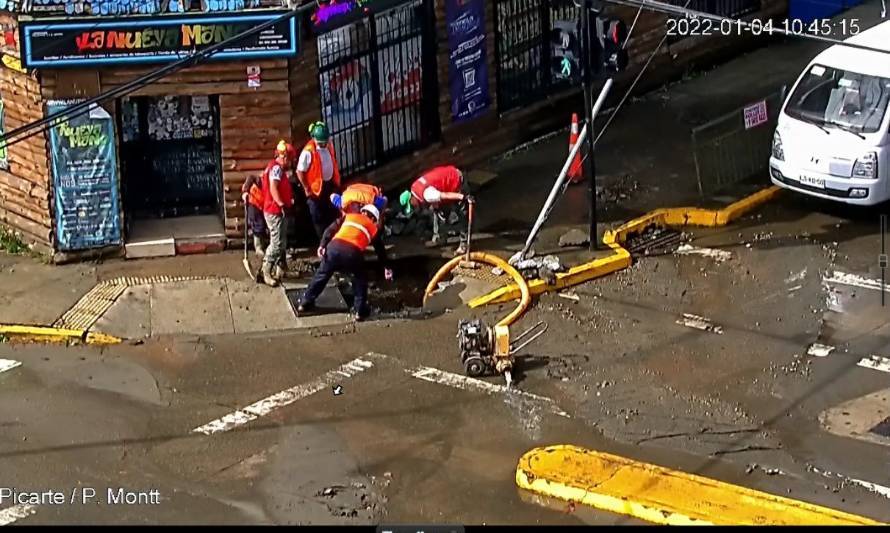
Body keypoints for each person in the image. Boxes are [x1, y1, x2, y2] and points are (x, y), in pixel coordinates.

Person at [297, 204, 386, 322]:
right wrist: (386, 267)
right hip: (352, 253)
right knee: (360, 280)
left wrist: (322, 245)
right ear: (374, 219)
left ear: (363, 212)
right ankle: (360, 311)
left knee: (322, 275)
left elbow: (329, 230)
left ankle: (305, 303)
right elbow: (380, 249)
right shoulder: (373, 228)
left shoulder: (348, 217)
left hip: (333, 248)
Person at [398, 165, 473, 252]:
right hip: (443, 183)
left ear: (411, 198)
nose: (414, 207)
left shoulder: (427, 195)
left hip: (456, 180)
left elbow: (445, 195)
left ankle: (464, 244)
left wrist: (463, 197)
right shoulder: (414, 187)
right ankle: (439, 238)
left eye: (411, 205)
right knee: (438, 212)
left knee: (462, 214)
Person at [330, 182, 393, 281]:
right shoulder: (343, 203)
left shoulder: (374, 201)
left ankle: (385, 266)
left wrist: (380, 219)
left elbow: (384, 201)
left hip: (367, 194)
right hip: (352, 193)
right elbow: (332, 196)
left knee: (377, 234)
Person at [297, 121, 342, 241]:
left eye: (325, 142)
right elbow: (300, 171)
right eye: (320, 143)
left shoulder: (329, 144)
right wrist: (306, 188)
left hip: (329, 185)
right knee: (318, 218)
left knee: (333, 214)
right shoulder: (308, 152)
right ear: (314, 138)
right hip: (315, 189)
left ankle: (335, 239)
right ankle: (323, 243)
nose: (323, 145)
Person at [260, 140, 296, 287]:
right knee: (276, 243)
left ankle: (282, 269)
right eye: (290, 159)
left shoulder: (275, 168)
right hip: (275, 211)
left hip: (277, 210)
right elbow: (273, 188)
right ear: (284, 157)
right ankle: (265, 271)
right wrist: (281, 203)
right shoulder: (276, 170)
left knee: (282, 240)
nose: (291, 162)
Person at [241, 174, 267, 257]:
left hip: (262, 205)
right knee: (258, 225)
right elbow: (250, 177)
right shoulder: (261, 179)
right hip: (253, 202)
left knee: (262, 226)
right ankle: (258, 248)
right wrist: (245, 192)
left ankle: (262, 246)